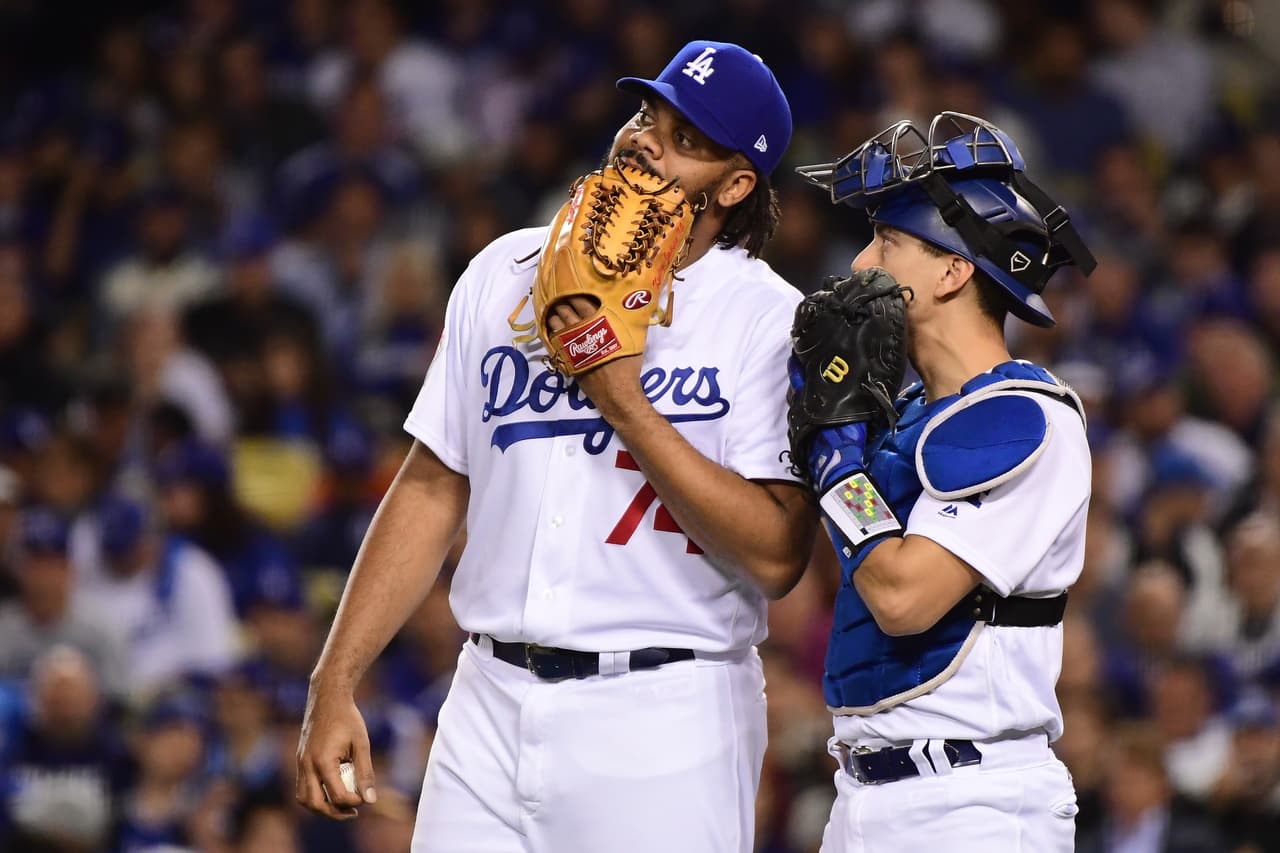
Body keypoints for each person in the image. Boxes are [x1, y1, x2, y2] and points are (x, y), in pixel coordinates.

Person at [296, 40, 816, 853]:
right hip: (487, 698)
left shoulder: (769, 319)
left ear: (737, 184)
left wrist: (624, 400)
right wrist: (335, 678)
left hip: (664, 713)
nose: (648, 140)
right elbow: (433, 485)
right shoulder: (504, 269)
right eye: (649, 115)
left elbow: (779, 556)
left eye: (686, 140)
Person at [792, 112, 1098, 850]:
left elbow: (904, 597)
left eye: (889, 240)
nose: (864, 263)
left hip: (973, 803)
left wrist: (836, 458)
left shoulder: (1025, 418)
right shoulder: (906, 413)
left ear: (955, 268)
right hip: (864, 794)